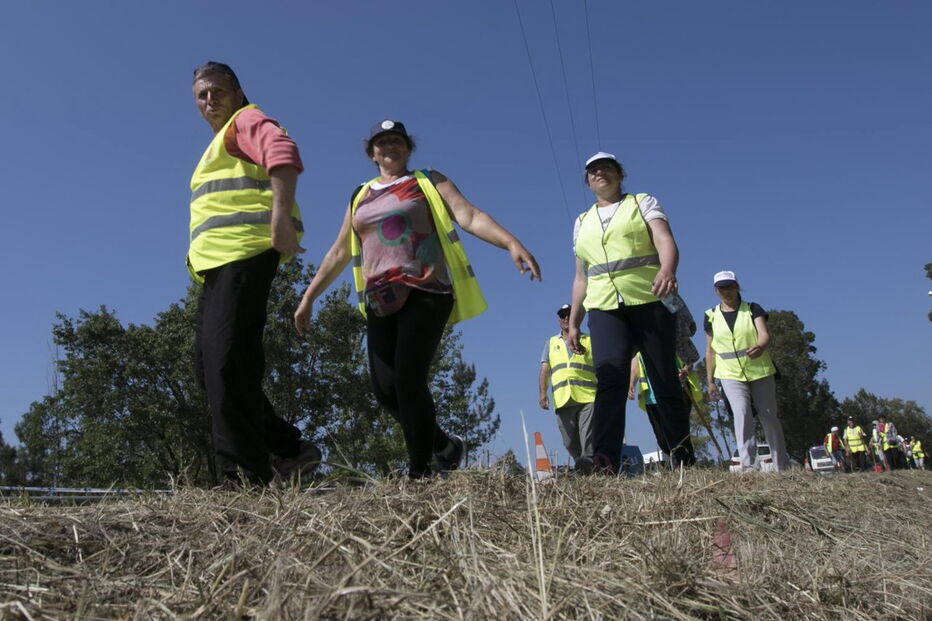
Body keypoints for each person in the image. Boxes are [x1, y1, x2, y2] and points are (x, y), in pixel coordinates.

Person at [294, 120, 540, 479]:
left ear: (408, 148)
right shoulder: (359, 196)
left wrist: (511, 243)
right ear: (371, 153)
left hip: (426, 289)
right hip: (380, 297)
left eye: (396, 141)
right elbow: (337, 252)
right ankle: (444, 445)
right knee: (385, 390)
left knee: (409, 378)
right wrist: (309, 297)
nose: (389, 147)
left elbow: (469, 215)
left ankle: (420, 472)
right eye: (381, 142)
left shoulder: (427, 180)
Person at [188, 62, 320, 486]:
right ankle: (289, 449)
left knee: (227, 362)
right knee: (210, 368)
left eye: (217, 91)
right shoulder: (220, 143)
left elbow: (283, 154)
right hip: (218, 266)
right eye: (202, 95)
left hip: (246, 254)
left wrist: (280, 217)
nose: (210, 100)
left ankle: (243, 475)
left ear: (238, 91)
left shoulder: (246, 120)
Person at [568, 152, 694, 473]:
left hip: (649, 299)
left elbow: (665, 240)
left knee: (663, 378)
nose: (600, 174)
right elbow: (581, 277)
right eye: (593, 171)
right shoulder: (582, 222)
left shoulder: (642, 202)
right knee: (610, 378)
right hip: (604, 307)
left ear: (619, 174)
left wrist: (668, 269)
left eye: (607, 168)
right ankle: (605, 459)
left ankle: (682, 457)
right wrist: (573, 323)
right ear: (587, 181)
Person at [705, 270, 789, 472]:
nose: (727, 291)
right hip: (729, 374)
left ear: (737, 287)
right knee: (741, 413)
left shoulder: (752, 309)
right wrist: (710, 381)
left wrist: (760, 346)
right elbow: (710, 351)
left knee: (768, 416)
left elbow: (764, 335)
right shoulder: (711, 315)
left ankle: (781, 466)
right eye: (722, 287)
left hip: (759, 370)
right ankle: (749, 466)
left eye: (730, 286)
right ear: (716, 291)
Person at [539, 304, 596, 470]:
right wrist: (543, 393)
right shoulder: (550, 343)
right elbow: (544, 370)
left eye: (569, 315)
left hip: (588, 397)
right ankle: (581, 464)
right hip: (563, 398)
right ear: (559, 320)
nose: (566, 318)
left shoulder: (589, 341)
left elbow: (600, 367)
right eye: (563, 315)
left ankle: (589, 468)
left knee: (588, 439)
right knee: (569, 441)